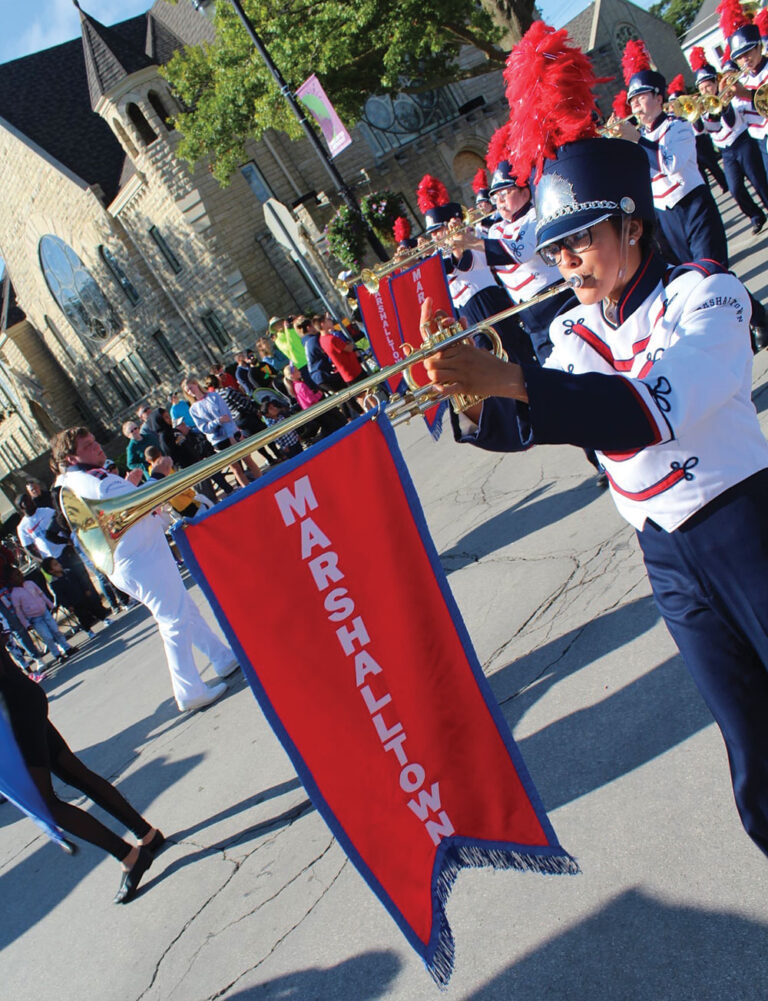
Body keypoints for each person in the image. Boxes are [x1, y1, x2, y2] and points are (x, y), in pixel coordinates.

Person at [422, 20, 768, 859]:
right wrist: (465, 395)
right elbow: (544, 411)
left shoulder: (707, 295)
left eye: (581, 239)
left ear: (633, 228)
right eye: (558, 246)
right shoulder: (577, 331)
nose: (568, 260)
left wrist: (504, 376)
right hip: (665, 552)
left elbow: (650, 406)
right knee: (755, 760)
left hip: (745, 522)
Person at [52, 427, 240, 712]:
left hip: (133, 558)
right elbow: (146, 502)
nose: (98, 446)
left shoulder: (76, 483)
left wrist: (131, 485)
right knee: (173, 620)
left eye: (94, 441)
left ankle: (222, 658)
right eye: (88, 446)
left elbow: (123, 503)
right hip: (141, 558)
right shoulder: (97, 481)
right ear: (71, 457)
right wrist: (159, 475)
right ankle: (188, 689)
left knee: (184, 610)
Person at [0, 641, 164, 902]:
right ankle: (146, 834)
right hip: (22, 697)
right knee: (74, 772)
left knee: (45, 803)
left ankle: (129, 856)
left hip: (12, 715)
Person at [618, 40, 728, 268]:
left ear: (659, 98)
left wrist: (637, 140)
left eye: (641, 98)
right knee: (694, 276)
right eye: (632, 101)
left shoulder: (678, 126)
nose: (636, 106)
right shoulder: (637, 137)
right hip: (665, 217)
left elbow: (671, 164)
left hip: (693, 205)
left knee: (713, 271)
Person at [692, 50, 768, 237]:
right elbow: (703, 130)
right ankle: (756, 215)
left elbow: (731, 122)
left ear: (716, 83)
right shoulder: (705, 106)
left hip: (742, 142)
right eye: (701, 89)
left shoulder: (729, 93)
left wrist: (722, 104)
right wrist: (695, 115)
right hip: (726, 151)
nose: (705, 91)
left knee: (759, 182)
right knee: (735, 189)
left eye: (707, 86)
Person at [182, 376, 261, 488]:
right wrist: (217, 421)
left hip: (232, 434)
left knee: (248, 460)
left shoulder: (213, 396)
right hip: (218, 440)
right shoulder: (193, 409)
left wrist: (231, 436)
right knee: (236, 468)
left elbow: (226, 416)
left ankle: (262, 483)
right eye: (188, 390)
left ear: (196, 384)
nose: (191, 391)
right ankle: (248, 490)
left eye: (191, 387)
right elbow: (204, 428)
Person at [9, 567, 75, 663]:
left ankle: (66, 647)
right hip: (35, 619)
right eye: (16, 575)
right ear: (11, 580)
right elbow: (19, 611)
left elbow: (41, 594)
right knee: (47, 636)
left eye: (20, 573)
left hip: (45, 612)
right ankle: (57, 654)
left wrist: (50, 605)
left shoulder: (30, 583)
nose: (20, 576)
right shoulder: (15, 594)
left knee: (55, 630)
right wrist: (26, 623)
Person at [41, 556, 111, 639]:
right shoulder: (55, 583)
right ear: (51, 570)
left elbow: (80, 580)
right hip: (74, 603)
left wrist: (86, 589)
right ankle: (88, 630)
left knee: (94, 608)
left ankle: (104, 619)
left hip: (83, 595)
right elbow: (60, 596)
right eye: (55, 565)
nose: (59, 565)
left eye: (57, 563)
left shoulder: (69, 572)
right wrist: (67, 605)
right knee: (82, 616)